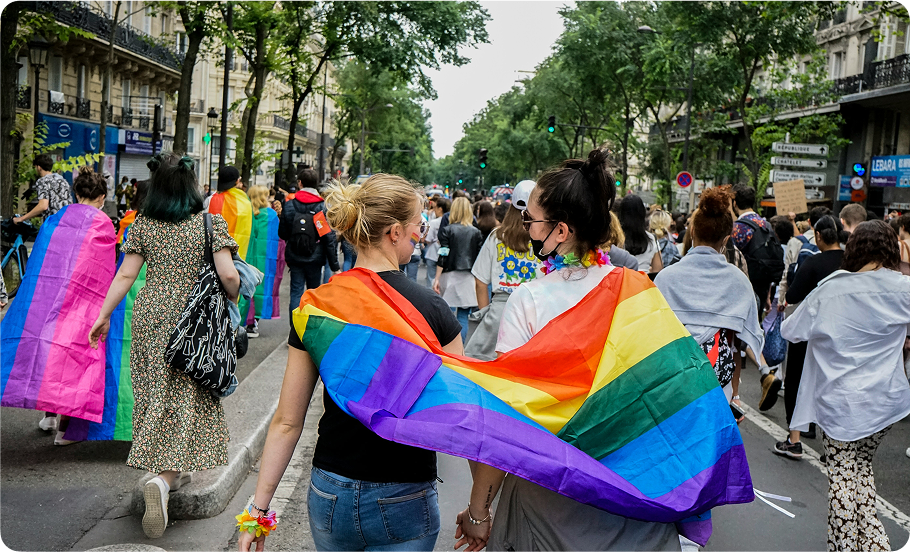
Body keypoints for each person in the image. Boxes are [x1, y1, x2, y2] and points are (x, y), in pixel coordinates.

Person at [459, 149, 681, 552]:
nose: (526, 227)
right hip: (631, 494)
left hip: (549, 497)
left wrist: (479, 513)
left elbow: (510, 420)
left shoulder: (529, 301)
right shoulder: (639, 292)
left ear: (560, 231)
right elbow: (668, 394)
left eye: (531, 220)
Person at [239, 174, 463, 552]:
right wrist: (478, 510)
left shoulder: (318, 306)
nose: (420, 235)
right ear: (394, 231)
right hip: (404, 489)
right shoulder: (434, 310)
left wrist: (258, 512)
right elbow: (465, 414)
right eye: (417, 227)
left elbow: (288, 421)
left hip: (331, 491)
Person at [89, 153, 240, 539]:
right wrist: (234, 298)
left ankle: (165, 470)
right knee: (187, 393)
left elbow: (125, 274)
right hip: (194, 320)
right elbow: (227, 274)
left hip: (151, 315)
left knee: (156, 390)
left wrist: (103, 315)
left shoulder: (144, 225)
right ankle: (165, 479)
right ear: (192, 186)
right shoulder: (210, 224)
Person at [781, 220, 910, 551]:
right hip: (886, 400)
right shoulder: (903, 288)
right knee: (861, 469)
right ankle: (873, 544)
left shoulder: (832, 288)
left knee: (841, 474)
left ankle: (848, 547)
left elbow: (791, 331)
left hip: (840, 401)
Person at [0, 168, 115, 444]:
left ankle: (49, 415)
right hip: (84, 300)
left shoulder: (54, 220)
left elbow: (41, 260)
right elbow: (106, 269)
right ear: (101, 196)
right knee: (74, 357)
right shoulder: (104, 224)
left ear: (76, 194)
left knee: (48, 349)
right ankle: (65, 428)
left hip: (48, 295)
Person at [655, 186, 762, 413]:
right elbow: (746, 341)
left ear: (692, 232)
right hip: (716, 385)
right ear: (726, 239)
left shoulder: (666, 279)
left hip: (672, 382)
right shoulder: (739, 283)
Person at [773, 215, 849, 459]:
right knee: (833, 386)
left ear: (817, 236)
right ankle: (832, 447)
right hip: (842, 332)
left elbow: (793, 295)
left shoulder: (813, 263)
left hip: (810, 331)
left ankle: (794, 439)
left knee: (796, 381)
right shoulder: (851, 263)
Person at [465, 180, 544, 361]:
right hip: (535, 313)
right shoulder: (546, 238)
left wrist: (486, 312)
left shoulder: (496, 236)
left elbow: (480, 281)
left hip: (499, 312)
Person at [278, 168, 340, 322]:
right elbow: (328, 237)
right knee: (313, 293)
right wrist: (334, 265)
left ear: (300, 183)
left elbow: (283, 233)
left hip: (295, 256)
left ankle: (294, 334)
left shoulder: (290, 205)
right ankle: (310, 329)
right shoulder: (320, 208)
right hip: (315, 257)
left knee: (296, 293)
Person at [434, 197, 482, 342]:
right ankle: (459, 347)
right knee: (463, 316)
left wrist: (437, 277)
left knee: (446, 315)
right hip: (468, 276)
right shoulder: (476, 232)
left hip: (449, 275)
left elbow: (443, 254)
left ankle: (448, 347)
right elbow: (479, 258)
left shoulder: (447, 231)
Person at [243, 185, 285, 338]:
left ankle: (243, 320)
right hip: (265, 260)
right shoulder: (271, 215)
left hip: (247, 257)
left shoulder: (246, 214)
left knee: (245, 286)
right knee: (261, 288)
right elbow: (278, 242)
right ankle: (253, 322)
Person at [206, 165, 253, 260]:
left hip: (214, 255)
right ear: (237, 181)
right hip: (238, 256)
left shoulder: (210, 200)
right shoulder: (245, 202)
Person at [13, 154, 72, 224]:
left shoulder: (43, 181)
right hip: (68, 223)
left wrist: (22, 218)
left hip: (53, 225)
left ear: (39, 167)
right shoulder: (63, 180)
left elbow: (43, 206)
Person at [618, 195, 663, 273]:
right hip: (643, 282)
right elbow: (658, 269)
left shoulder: (615, 238)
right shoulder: (651, 238)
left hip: (620, 282)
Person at [423, 197, 450, 289]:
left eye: (435, 208)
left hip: (433, 252)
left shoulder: (434, 222)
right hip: (446, 254)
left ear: (440, 209)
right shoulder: (451, 222)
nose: (434, 211)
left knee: (431, 279)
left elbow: (428, 239)